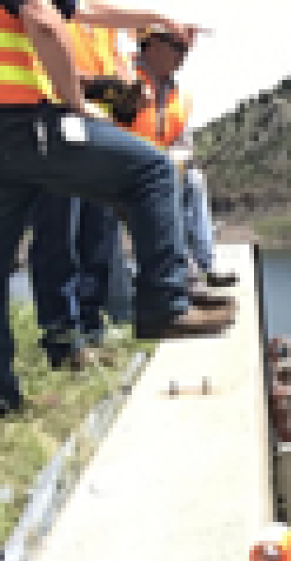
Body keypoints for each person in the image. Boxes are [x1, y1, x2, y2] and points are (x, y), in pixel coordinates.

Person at [0, 0, 233, 418]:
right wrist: (74, 100)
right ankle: (164, 306)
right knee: (152, 171)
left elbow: (80, 9)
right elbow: (44, 20)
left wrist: (156, 19)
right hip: (22, 122)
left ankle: (4, 398)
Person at [25, 19, 128, 370]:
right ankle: (63, 339)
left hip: (96, 129)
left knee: (97, 236)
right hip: (53, 124)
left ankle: (91, 328)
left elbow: (116, 69)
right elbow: (42, 56)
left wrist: (124, 88)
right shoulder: (52, 11)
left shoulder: (103, 24)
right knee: (59, 237)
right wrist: (93, 84)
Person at [130, 24, 236, 287]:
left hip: (162, 168)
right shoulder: (126, 78)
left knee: (193, 179)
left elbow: (182, 141)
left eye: (186, 50)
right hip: (126, 169)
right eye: (177, 48)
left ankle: (206, 264)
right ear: (151, 45)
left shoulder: (180, 96)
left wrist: (180, 157)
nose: (183, 56)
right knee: (168, 181)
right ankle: (182, 269)